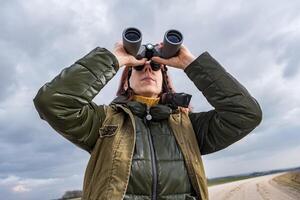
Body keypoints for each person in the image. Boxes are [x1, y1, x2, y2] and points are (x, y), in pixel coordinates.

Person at [33, 41, 262, 200]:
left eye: (155, 67)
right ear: (126, 82)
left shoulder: (188, 126)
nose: (148, 70)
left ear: (164, 80)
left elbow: (245, 114)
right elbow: (52, 102)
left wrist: (189, 63)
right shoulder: (105, 122)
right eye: (138, 67)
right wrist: (114, 59)